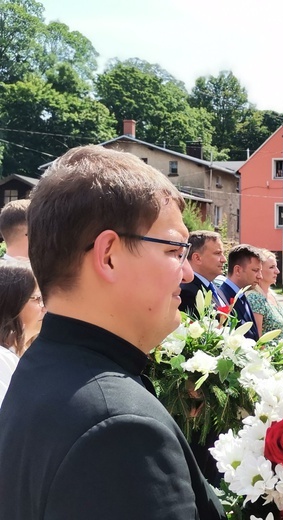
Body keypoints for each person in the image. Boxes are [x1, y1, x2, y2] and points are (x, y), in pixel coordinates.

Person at [0, 146, 225, 519]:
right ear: (109, 255)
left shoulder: (43, 369)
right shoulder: (121, 429)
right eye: (174, 251)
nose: (187, 275)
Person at [0, 262, 45, 408]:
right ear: (12, 302)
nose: (45, 307)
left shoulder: (21, 355)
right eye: (38, 298)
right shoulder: (2, 360)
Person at [219, 244, 263, 341]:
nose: (260, 276)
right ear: (238, 270)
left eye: (260, 271)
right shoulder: (222, 297)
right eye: (255, 270)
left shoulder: (241, 295)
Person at [179, 230, 226, 317]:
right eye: (217, 253)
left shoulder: (215, 289)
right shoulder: (186, 293)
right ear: (197, 258)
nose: (224, 259)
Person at [246, 249, 283, 337]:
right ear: (259, 270)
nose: (277, 271)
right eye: (271, 267)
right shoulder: (255, 298)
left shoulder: (271, 295)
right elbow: (258, 339)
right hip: (268, 350)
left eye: (276, 267)